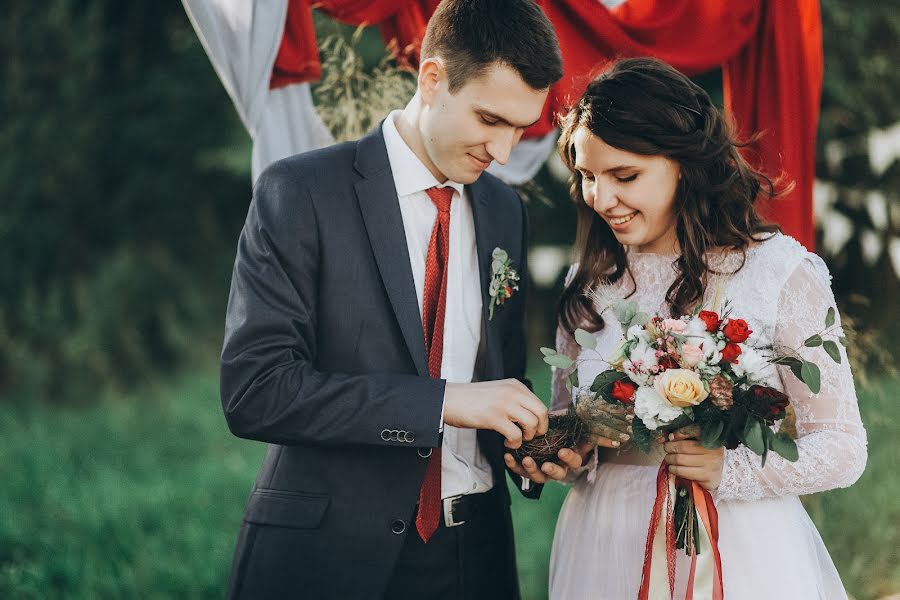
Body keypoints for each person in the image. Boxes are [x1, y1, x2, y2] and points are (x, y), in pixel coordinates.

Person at [218, 1, 580, 598]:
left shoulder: (504, 211)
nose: (505, 151)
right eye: (490, 119)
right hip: (329, 559)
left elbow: (493, 383)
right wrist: (442, 404)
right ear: (432, 79)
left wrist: (531, 445)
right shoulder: (301, 192)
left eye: (521, 127)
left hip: (476, 559)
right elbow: (256, 392)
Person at [546, 57, 867, 599]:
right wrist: (569, 444)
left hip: (739, 545)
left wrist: (730, 468)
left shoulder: (778, 272)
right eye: (587, 177)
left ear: (686, 164)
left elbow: (842, 446)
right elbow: (567, 417)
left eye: (625, 176)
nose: (602, 199)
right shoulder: (587, 283)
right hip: (604, 542)